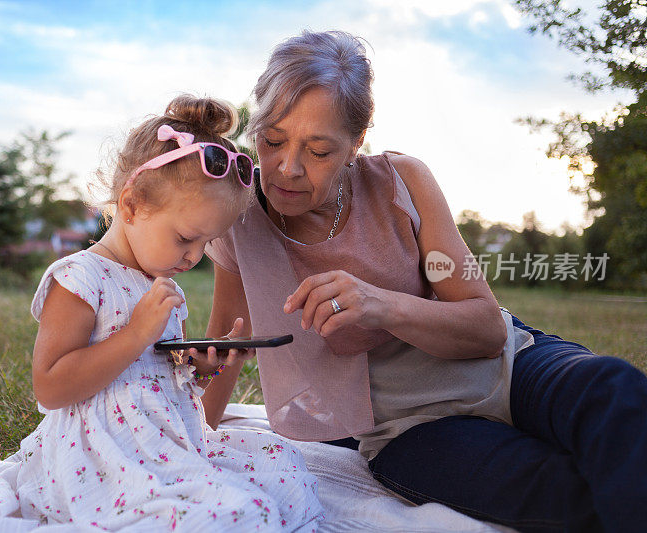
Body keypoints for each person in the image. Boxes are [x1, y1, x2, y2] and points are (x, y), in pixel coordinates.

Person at [200, 30, 647, 533]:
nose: (287, 167)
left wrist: (382, 306)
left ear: (355, 144)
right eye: (272, 140)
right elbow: (224, 345)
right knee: (557, 487)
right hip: (408, 430)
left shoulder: (403, 182)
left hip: (512, 366)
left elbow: (486, 327)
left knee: (614, 390)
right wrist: (189, 444)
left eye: (319, 150)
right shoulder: (240, 223)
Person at [0, 96, 324, 532]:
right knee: (230, 515)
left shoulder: (161, 285)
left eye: (206, 243)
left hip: (164, 445)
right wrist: (138, 332)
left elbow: (171, 396)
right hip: (102, 456)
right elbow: (50, 386)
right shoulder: (80, 278)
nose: (195, 256)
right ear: (132, 205)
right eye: (186, 238)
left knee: (283, 473)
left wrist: (206, 367)